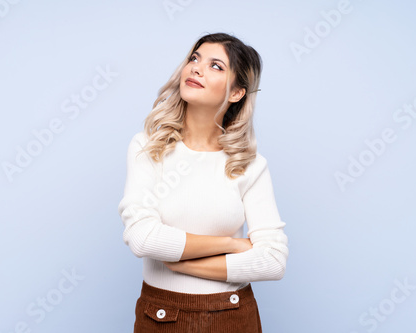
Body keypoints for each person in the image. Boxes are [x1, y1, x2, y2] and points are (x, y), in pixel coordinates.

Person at [118, 32, 289, 332]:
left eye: (216, 66)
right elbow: (143, 237)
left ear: (236, 93)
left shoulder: (249, 164)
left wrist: (184, 263)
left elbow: (274, 260)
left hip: (234, 315)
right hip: (160, 316)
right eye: (194, 58)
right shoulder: (148, 146)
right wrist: (231, 244)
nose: (196, 68)